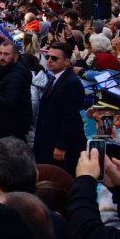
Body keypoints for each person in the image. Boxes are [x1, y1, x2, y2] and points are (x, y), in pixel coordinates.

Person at [33, 42, 87, 175]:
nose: (49, 61)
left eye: (54, 58)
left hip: (58, 146)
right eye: (48, 57)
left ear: (67, 62)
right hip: (46, 140)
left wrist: (61, 146)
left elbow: (71, 117)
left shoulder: (72, 83)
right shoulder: (55, 77)